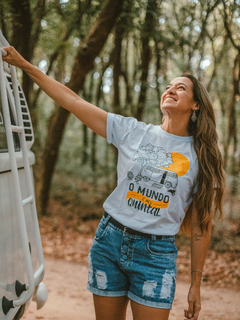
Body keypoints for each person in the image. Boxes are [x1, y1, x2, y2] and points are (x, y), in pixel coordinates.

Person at [2, 46, 225, 320]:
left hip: (156, 254)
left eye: (180, 88)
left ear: (196, 104)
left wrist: (196, 285)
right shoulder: (132, 132)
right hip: (110, 240)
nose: (170, 90)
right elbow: (72, 100)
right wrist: (24, 64)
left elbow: (201, 225)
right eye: (168, 86)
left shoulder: (202, 155)